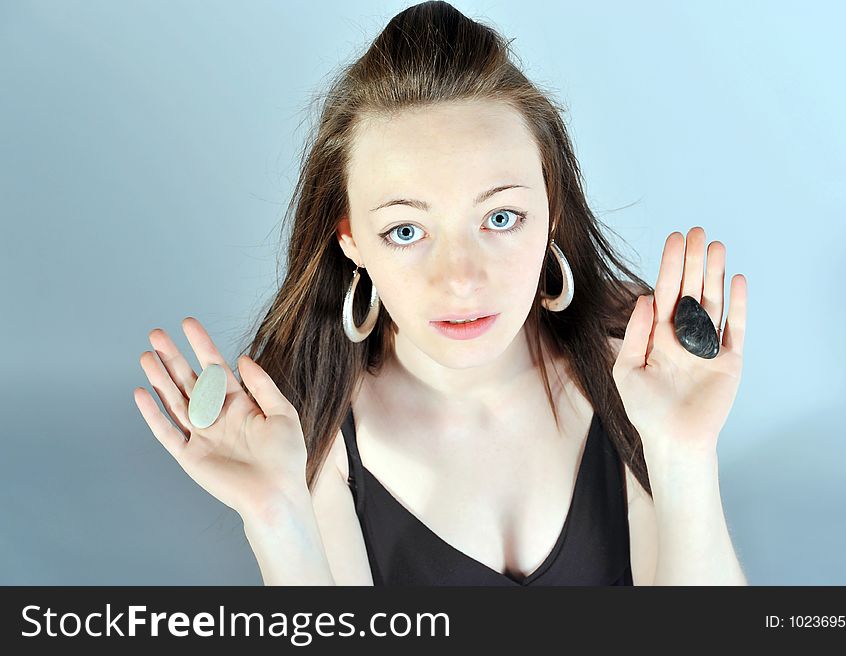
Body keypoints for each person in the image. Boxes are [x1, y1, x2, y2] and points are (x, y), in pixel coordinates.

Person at [134, 1, 748, 586]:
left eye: (501, 218)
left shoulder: (633, 368)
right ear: (351, 242)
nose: (460, 278)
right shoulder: (306, 420)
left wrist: (683, 456)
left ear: (551, 211)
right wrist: (276, 518)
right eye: (406, 231)